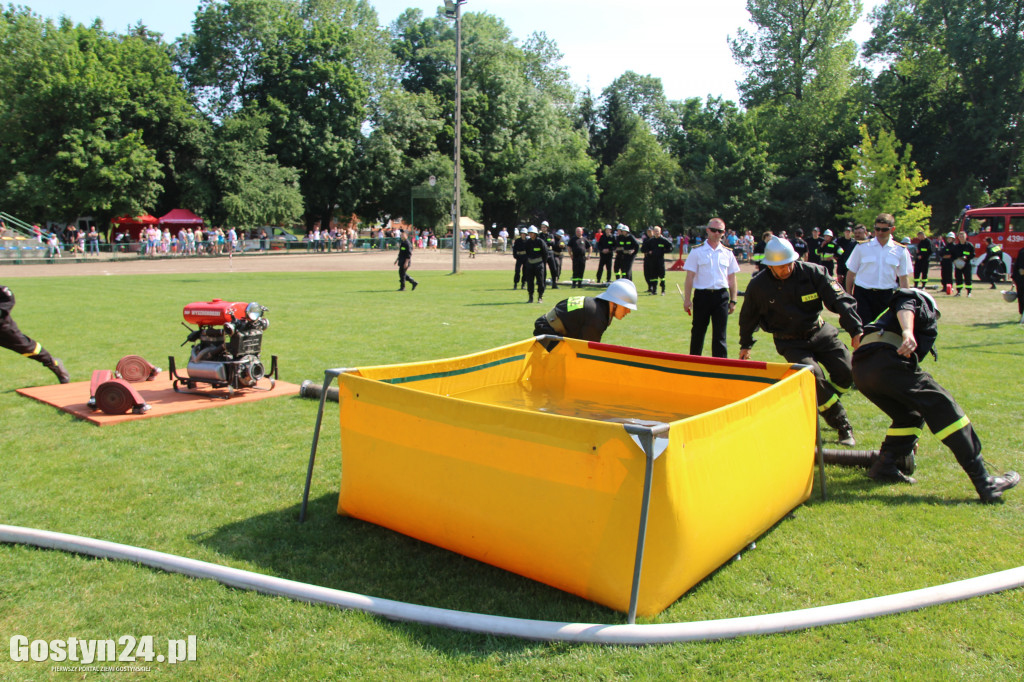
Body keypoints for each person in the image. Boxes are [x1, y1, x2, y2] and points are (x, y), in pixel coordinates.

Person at [852, 288, 1019, 503]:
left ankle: (885, 465)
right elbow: (906, 306)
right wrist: (907, 332)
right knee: (945, 408)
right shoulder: (915, 299)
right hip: (884, 360)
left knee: (910, 415)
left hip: (862, 370)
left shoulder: (888, 320)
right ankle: (985, 482)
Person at [738, 237, 862, 445]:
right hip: (790, 342)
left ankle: (823, 401)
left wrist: (856, 330)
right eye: (779, 266)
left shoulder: (814, 272)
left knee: (847, 372)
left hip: (820, 332)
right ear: (770, 266)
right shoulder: (758, 285)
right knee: (814, 376)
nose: (785, 269)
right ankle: (843, 426)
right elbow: (748, 316)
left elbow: (839, 300)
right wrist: (746, 344)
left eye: (788, 264)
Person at [683, 218, 740, 358]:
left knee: (720, 335)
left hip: (721, 296)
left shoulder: (728, 253)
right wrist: (687, 299)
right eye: (713, 230)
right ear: (707, 230)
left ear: (723, 233)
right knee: (698, 331)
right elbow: (689, 277)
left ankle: (720, 367)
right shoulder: (697, 251)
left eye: (720, 231)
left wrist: (733, 300)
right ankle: (694, 363)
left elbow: (732, 279)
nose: (716, 233)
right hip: (702, 296)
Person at [844, 213, 912, 323]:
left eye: (884, 230)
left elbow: (903, 278)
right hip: (863, 295)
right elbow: (851, 273)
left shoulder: (900, 250)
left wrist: (906, 300)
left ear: (892, 229)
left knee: (883, 332)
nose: (880, 232)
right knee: (862, 330)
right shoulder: (862, 247)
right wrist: (848, 296)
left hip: (886, 296)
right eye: (877, 229)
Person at [533, 279, 638, 348]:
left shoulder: (598, 307)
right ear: (614, 303)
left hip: (551, 329)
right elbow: (587, 351)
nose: (628, 311)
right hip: (548, 333)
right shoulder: (596, 316)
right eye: (626, 307)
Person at [1, 285, 70, 384]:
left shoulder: (3, 291)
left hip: (3, 329)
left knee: (27, 348)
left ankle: (53, 364)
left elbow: (7, 300)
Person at [641, 226, 673, 295]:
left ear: (660, 232)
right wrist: (648, 251)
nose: (656, 233)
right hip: (652, 261)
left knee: (662, 276)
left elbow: (671, 247)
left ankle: (663, 290)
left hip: (660, 260)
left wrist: (664, 251)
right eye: (655, 231)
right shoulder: (651, 241)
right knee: (653, 276)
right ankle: (654, 290)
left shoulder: (664, 240)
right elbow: (643, 249)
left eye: (657, 231)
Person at [522, 225, 549, 303]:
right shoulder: (528, 242)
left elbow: (545, 253)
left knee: (540, 281)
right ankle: (530, 297)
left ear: (535, 233)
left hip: (539, 264)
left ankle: (540, 297)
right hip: (530, 264)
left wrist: (542, 263)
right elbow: (526, 252)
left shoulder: (540, 242)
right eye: (529, 233)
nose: (530, 234)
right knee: (530, 281)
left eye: (532, 233)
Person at [947, 230, 976, 297]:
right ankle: (958, 292)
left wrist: (967, 258)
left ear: (966, 237)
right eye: (960, 236)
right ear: (958, 238)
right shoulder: (956, 247)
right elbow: (952, 255)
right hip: (958, 265)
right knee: (958, 278)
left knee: (968, 278)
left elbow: (973, 254)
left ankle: (969, 292)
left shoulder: (969, 245)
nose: (961, 237)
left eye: (963, 236)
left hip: (967, 264)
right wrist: (954, 261)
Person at [1012, 246, 1024, 317]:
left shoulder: (1021, 251)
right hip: (1020, 278)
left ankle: (1022, 313)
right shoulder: (1022, 251)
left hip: (1019, 278)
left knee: (1021, 296)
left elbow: (1016, 265)